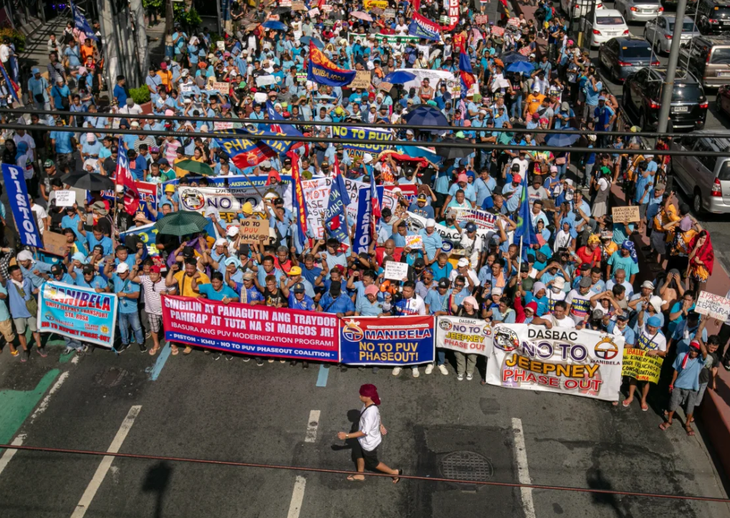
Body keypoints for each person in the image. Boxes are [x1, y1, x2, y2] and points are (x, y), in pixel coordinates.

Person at [336, 384, 402, 484]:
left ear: (368, 397)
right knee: (358, 453)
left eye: (362, 395)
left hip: (368, 443)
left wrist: (346, 436)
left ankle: (394, 473)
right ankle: (360, 474)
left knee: (373, 463)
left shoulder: (369, 414)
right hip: (361, 440)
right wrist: (380, 424)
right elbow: (378, 414)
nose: (359, 397)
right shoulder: (370, 404)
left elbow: (364, 432)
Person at [4, 265, 44, 362]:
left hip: (30, 311)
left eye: (21, 273)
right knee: (21, 333)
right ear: (11, 276)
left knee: (35, 330)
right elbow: (2, 280)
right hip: (17, 314)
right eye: (17, 275)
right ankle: (25, 350)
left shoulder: (28, 280)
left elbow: (33, 290)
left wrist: (44, 288)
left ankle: (40, 347)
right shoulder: (9, 284)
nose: (20, 276)